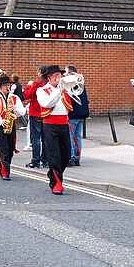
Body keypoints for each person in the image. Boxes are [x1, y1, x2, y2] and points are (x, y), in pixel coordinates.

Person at [37, 65, 73, 195]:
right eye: (56, 76)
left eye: (60, 75)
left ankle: (53, 174)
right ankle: (57, 183)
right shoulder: (42, 91)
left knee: (67, 155)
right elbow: (47, 104)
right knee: (54, 155)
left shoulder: (64, 90)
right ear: (49, 77)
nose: (59, 78)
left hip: (64, 124)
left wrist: (70, 89)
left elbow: (72, 104)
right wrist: (59, 90)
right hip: (50, 125)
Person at [0, 74, 26, 180]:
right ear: (0, 86)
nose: (7, 87)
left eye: (8, 85)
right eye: (5, 85)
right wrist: (0, 121)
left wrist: (15, 109)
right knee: (3, 148)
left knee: (10, 148)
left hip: (11, 124)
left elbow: (22, 111)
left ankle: (4, 165)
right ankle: (5, 171)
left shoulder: (14, 97)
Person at [65, 65, 89, 167]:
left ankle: (71, 157)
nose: (64, 74)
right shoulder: (81, 83)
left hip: (73, 114)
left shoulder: (70, 84)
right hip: (81, 113)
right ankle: (77, 157)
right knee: (77, 137)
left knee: (71, 137)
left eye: (66, 72)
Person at [24, 67, 48, 168]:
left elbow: (27, 95)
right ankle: (45, 160)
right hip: (46, 114)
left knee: (35, 139)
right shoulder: (49, 84)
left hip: (35, 114)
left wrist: (28, 87)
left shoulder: (37, 84)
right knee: (45, 139)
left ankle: (35, 160)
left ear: (40, 73)